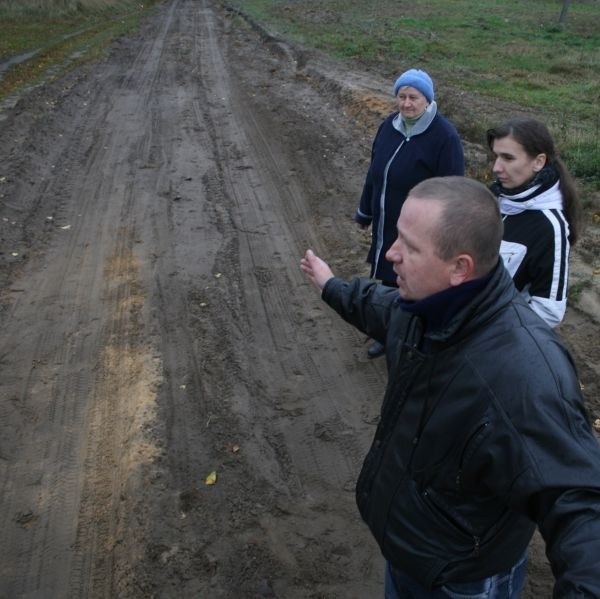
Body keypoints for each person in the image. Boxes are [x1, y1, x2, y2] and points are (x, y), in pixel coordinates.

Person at [301, 176, 600, 598]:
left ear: (460, 267)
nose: (391, 254)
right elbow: (378, 307)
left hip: (462, 579)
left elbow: (581, 505)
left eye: (409, 245)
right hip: (412, 551)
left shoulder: (524, 374)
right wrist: (332, 286)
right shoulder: (424, 307)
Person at [354, 68, 465, 358]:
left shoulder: (444, 136)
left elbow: (453, 190)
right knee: (389, 277)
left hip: (420, 228)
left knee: (412, 280)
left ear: (427, 100)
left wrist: (446, 230)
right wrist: (365, 211)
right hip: (386, 219)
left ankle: (409, 336)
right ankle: (389, 331)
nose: (406, 104)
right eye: (401, 96)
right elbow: (374, 174)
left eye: (413, 97)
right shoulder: (388, 127)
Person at [487, 117, 582, 328]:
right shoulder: (490, 200)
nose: (496, 167)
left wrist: (492, 335)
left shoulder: (550, 226)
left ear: (539, 162)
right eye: (496, 156)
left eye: (508, 158)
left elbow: (548, 311)